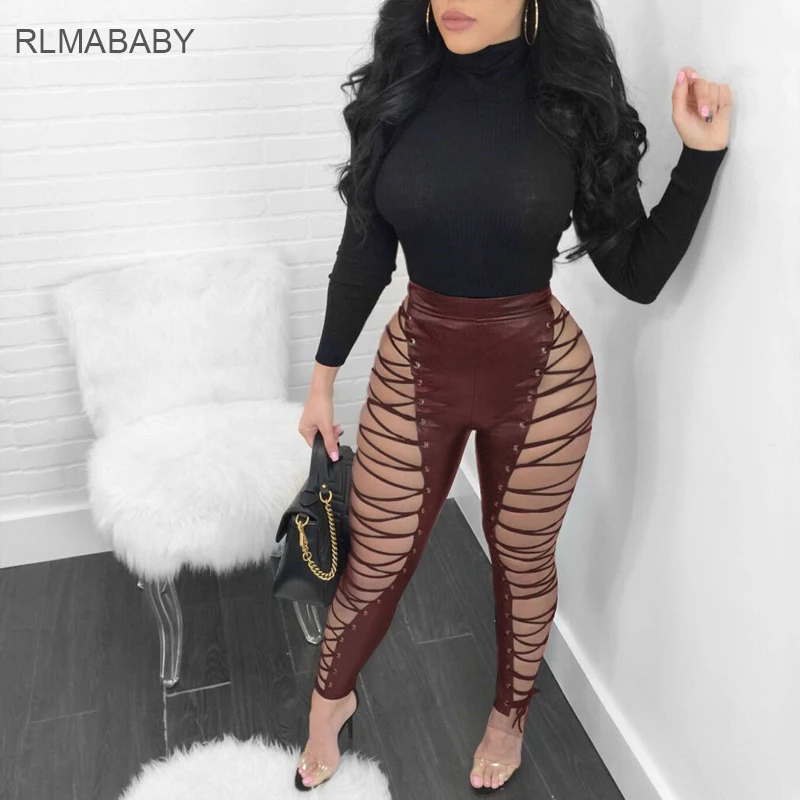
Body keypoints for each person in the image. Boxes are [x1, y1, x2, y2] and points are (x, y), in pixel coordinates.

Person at [294, 0, 732, 793]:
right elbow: (364, 251)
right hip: (416, 359)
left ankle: (510, 716)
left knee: (523, 561)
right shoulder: (399, 91)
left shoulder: (571, 105)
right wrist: (323, 377)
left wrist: (699, 159)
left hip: (544, 378)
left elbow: (635, 273)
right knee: (376, 556)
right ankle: (330, 701)